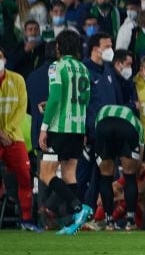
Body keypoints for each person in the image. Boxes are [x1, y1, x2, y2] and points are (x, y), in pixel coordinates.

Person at [38, 30, 94, 235]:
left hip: (60, 128)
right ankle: (73, 223)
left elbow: (54, 98)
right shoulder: (84, 69)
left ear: (59, 48)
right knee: (70, 174)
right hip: (78, 128)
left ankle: (79, 208)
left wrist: (44, 128)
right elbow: (85, 99)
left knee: (46, 173)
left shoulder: (56, 67)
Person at [0, 48, 39, 231]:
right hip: (6, 136)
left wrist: (6, 132)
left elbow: (21, 109)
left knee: (25, 176)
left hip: (14, 137)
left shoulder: (17, 80)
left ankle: (26, 220)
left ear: (5, 59)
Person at [91, 103, 144, 230]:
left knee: (105, 177)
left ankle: (109, 221)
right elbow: (140, 156)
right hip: (126, 129)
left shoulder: (103, 110)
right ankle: (130, 221)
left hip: (103, 126)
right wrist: (135, 166)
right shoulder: (137, 122)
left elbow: (96, 131)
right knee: (130, 176)